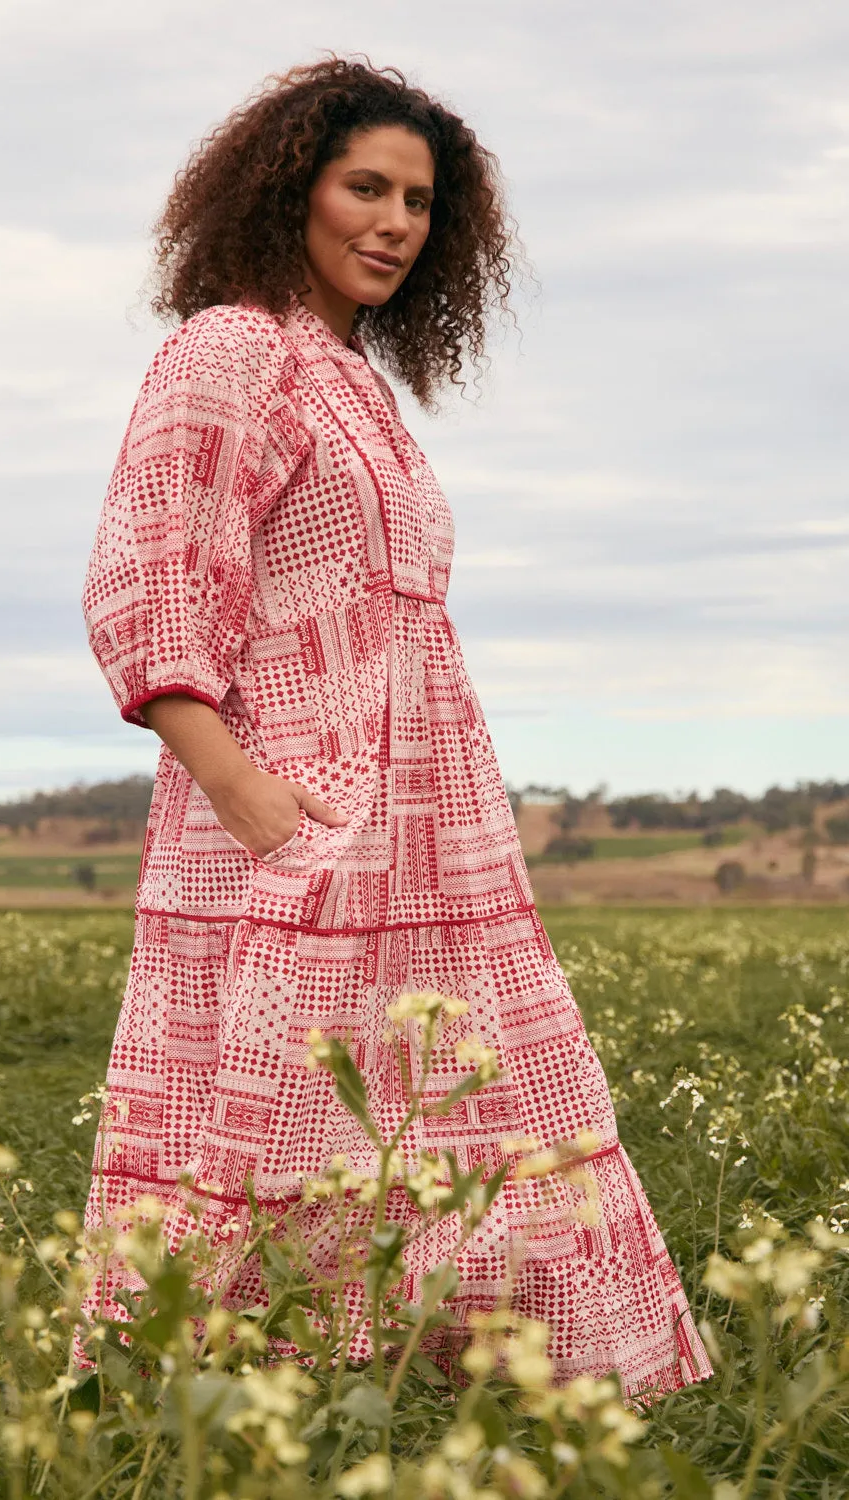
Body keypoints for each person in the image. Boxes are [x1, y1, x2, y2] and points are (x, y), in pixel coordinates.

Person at [80, 57, 712, 1401]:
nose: (396, 224)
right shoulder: (232, 348)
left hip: (430, 833)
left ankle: (465, 1393)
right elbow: (149, 579)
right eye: (366, 187)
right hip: (293, 813)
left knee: (463, 1108)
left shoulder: (357, 380)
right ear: (287, 192)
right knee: (266, 1117)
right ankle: (199, 1406)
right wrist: (243, 791)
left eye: (420, 202)